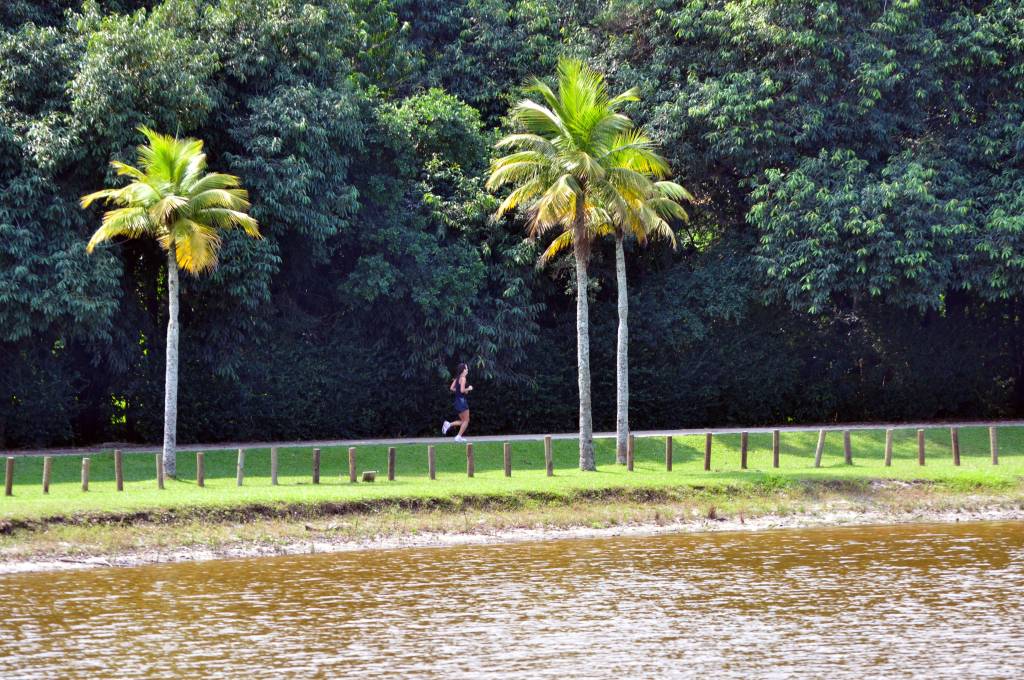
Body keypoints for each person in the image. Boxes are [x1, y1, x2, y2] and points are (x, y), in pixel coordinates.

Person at [442, 363, 472, 442]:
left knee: (463, 421)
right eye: (466, 368)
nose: (467, 369)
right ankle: (458, 436)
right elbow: (462, 390)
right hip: (462, 401)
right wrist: (469, 388)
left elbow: (451, 388)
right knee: (466, 421)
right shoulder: (463, 378)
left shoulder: (457, 378)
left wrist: (460, 391)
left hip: (457, 401)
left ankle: (449, 424)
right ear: (463, 370)